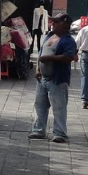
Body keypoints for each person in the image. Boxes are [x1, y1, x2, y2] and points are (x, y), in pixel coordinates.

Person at [29, 12, 77, 143]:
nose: (53, 24)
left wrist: (50, 58)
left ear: (65, 24)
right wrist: (38, 69)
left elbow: (68, 57)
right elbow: (40, 53)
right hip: (43, 79)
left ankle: (60, 133)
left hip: (57, 79)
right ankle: (39, 130)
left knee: (59, 107)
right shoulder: (49, 36)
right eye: (53, 21)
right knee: (40, 105)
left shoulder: (68, 41)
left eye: (56, 22)